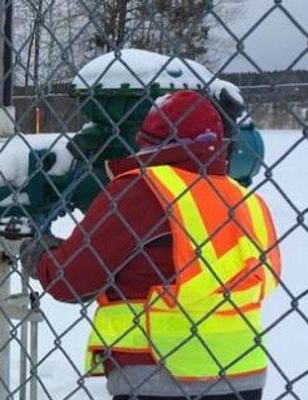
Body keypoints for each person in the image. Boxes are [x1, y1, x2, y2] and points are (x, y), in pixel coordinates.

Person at [22, 90, 282, 400]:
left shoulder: (141, 189)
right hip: (245, 377)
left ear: (146, 140)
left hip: (161, 376)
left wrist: (40, 255)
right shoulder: (247, 201)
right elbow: (181, 267)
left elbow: (71, 282)